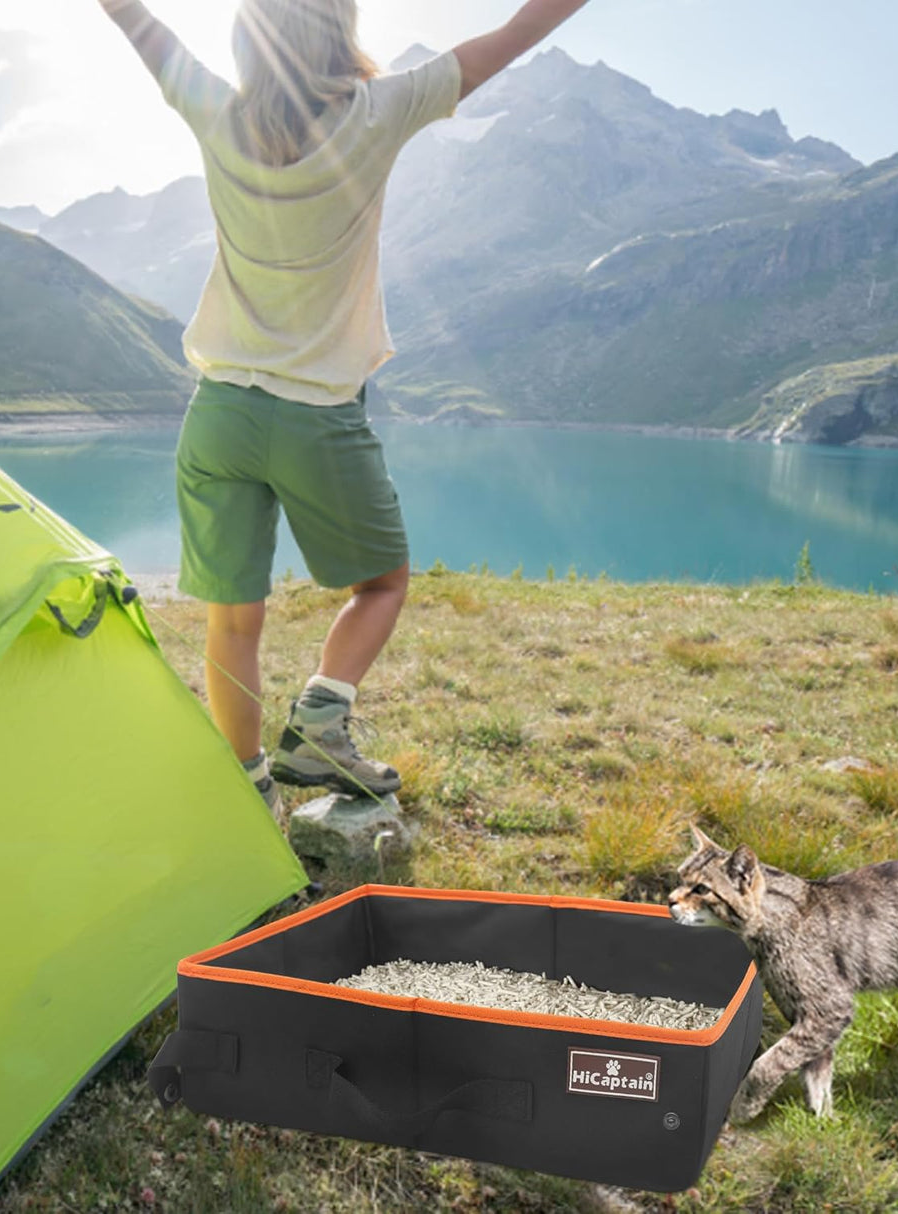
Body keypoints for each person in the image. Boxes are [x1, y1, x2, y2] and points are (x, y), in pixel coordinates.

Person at [97, 0, 593, 809]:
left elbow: (139, 26)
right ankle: (322, 727)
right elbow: (513, 35)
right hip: (317, 415)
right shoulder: (381, 110)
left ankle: (249, 791)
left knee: (234, 619)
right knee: (384, 583)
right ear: (342, 28)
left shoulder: (213, 108)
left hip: (217, 413)